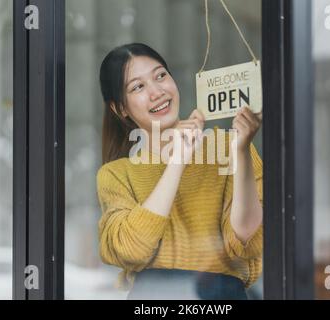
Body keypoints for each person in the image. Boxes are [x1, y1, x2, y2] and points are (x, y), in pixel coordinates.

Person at [97, 43, 263, 300]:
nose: (157, 92)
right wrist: (177, 162)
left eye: (161, 75)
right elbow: (131, 249)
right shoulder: (116, 174)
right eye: (138, 87)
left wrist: (241, 151)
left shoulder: (230, 146)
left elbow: (247, 241)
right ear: (120, 109)